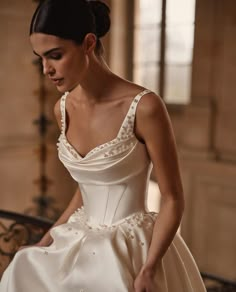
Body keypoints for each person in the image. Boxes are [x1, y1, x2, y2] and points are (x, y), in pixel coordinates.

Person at [0, 0, 206, 291]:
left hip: (131, 249)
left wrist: (150, 267)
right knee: (21, 269)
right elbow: (83, 193)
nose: (46, 69)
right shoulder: (62, 109)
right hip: (78, 241)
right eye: (40, 58)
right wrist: (42, 244)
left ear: (87, 43)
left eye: (55, 56)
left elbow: (173, 198)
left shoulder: (144, 107)